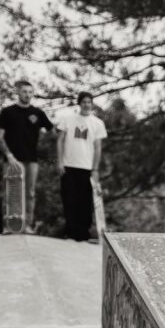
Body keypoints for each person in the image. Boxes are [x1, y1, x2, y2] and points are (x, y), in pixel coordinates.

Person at [0, 80, 54, 233]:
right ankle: (8, 226)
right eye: (24, 91)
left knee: (30, 193)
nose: (27, 95)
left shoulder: (38, 113)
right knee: (10, 193)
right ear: (18, 92)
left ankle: (27, 225)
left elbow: (53, 131)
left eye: (30, 92)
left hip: (32, 159)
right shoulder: (7, 112)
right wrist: (9, 155)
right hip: (12, 160)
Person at [56, 92, 108, 242]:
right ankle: (70, 234)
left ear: (92, 104)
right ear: (79, 104)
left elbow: (98, 147)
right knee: (69, 200)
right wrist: (59, 162)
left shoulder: (97, 123)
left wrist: (95, 168)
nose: (86, 105)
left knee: (85, 202)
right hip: (69, 165)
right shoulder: (68, 119)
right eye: (84, 102)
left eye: (89, 102)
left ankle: (83, 234)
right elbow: (59, 141)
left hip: (87, 167)